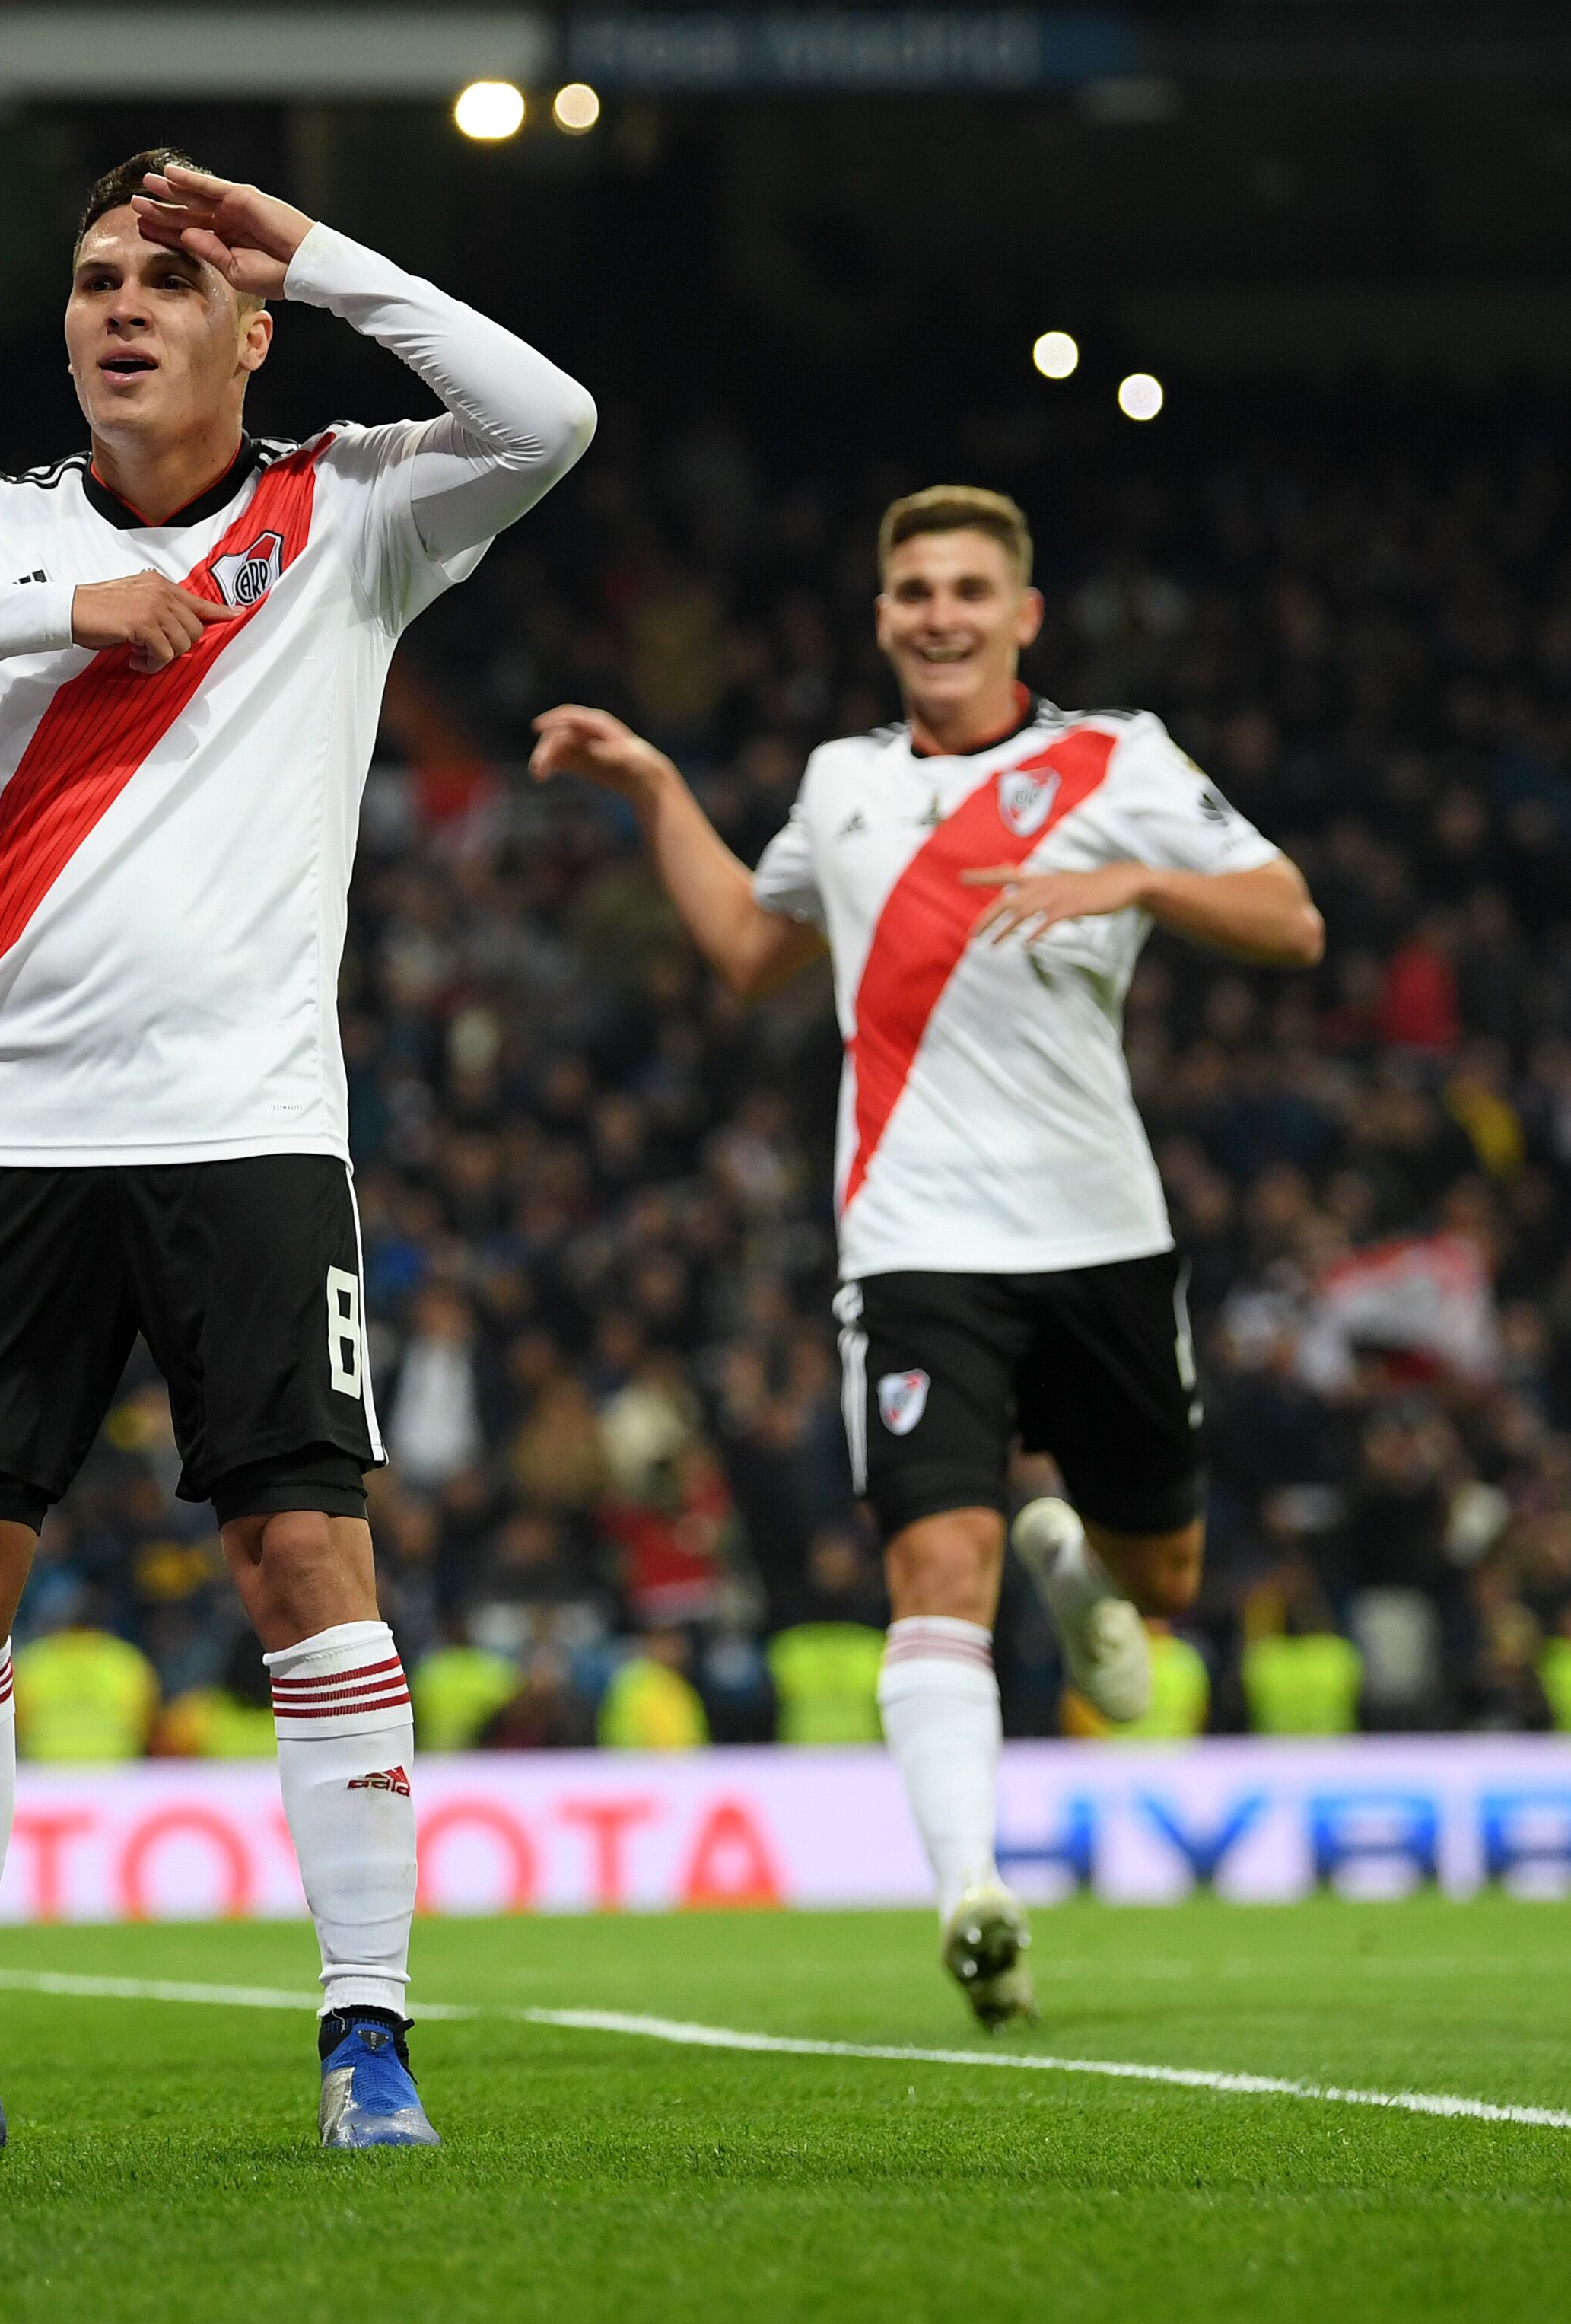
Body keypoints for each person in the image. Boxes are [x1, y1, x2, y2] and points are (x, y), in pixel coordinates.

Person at [0, 148, 592, 2153]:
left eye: (167, 281)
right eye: (93, 277)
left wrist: (312, 245)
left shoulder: (351, 507)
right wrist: (57, 603)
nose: (118, 305)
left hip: (247, 1128)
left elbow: (548, 417)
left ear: (243, 330)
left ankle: (363, 2037)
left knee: (303, 1549)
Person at [527, 485, 1321, 2028]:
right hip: (912, 1247)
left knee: (1162, 1582)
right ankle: (973, 1894)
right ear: (881, 616)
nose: (937, 614)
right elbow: (751, 957)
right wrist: (652, 790)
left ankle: (1082, 1571)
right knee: (930, 1567)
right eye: (910, 591)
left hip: (1101, 1239)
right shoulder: (838, 785)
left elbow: (1289, 921)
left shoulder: (1116, 760)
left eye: (967, 588)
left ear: (1023, 614)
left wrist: (1138, 881)